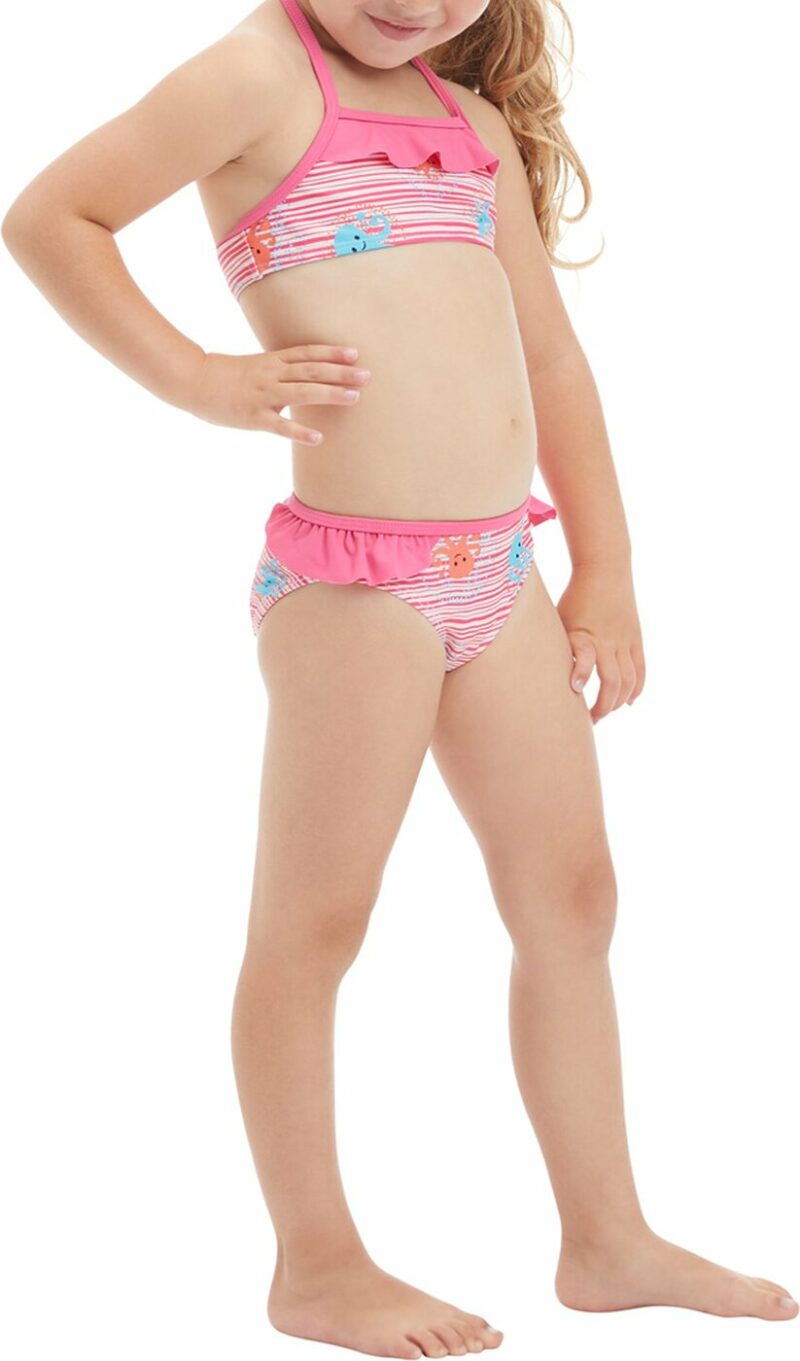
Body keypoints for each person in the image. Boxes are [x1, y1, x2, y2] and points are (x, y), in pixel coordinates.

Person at [3, 1, 797, 1356]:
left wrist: (604, 568)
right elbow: (51, 217)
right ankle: (316, 1263)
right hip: (355, 590)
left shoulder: (466, 122)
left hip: (499, 572)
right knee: (315, 925)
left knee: (574, 898)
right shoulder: (254, 77)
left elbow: (551, 358)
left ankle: (606, 1238)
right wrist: (204, 379)